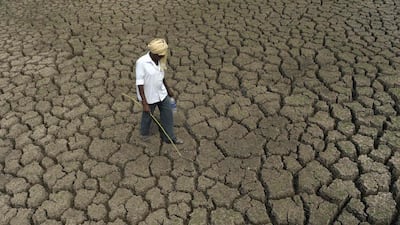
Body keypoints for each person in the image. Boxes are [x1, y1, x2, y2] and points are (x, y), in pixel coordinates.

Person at [135, 38, 183, 144]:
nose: (163, 56)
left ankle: (170, 137)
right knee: (148, 116)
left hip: (161, 93)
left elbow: (161, 75)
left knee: (168, 113)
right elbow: (140, 83)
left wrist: (168, 89)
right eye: (161, 54)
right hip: (149, 95)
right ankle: (144, 134)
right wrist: (144, 102)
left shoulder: (160, 60)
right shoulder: (142, 62)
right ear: (154, 53)